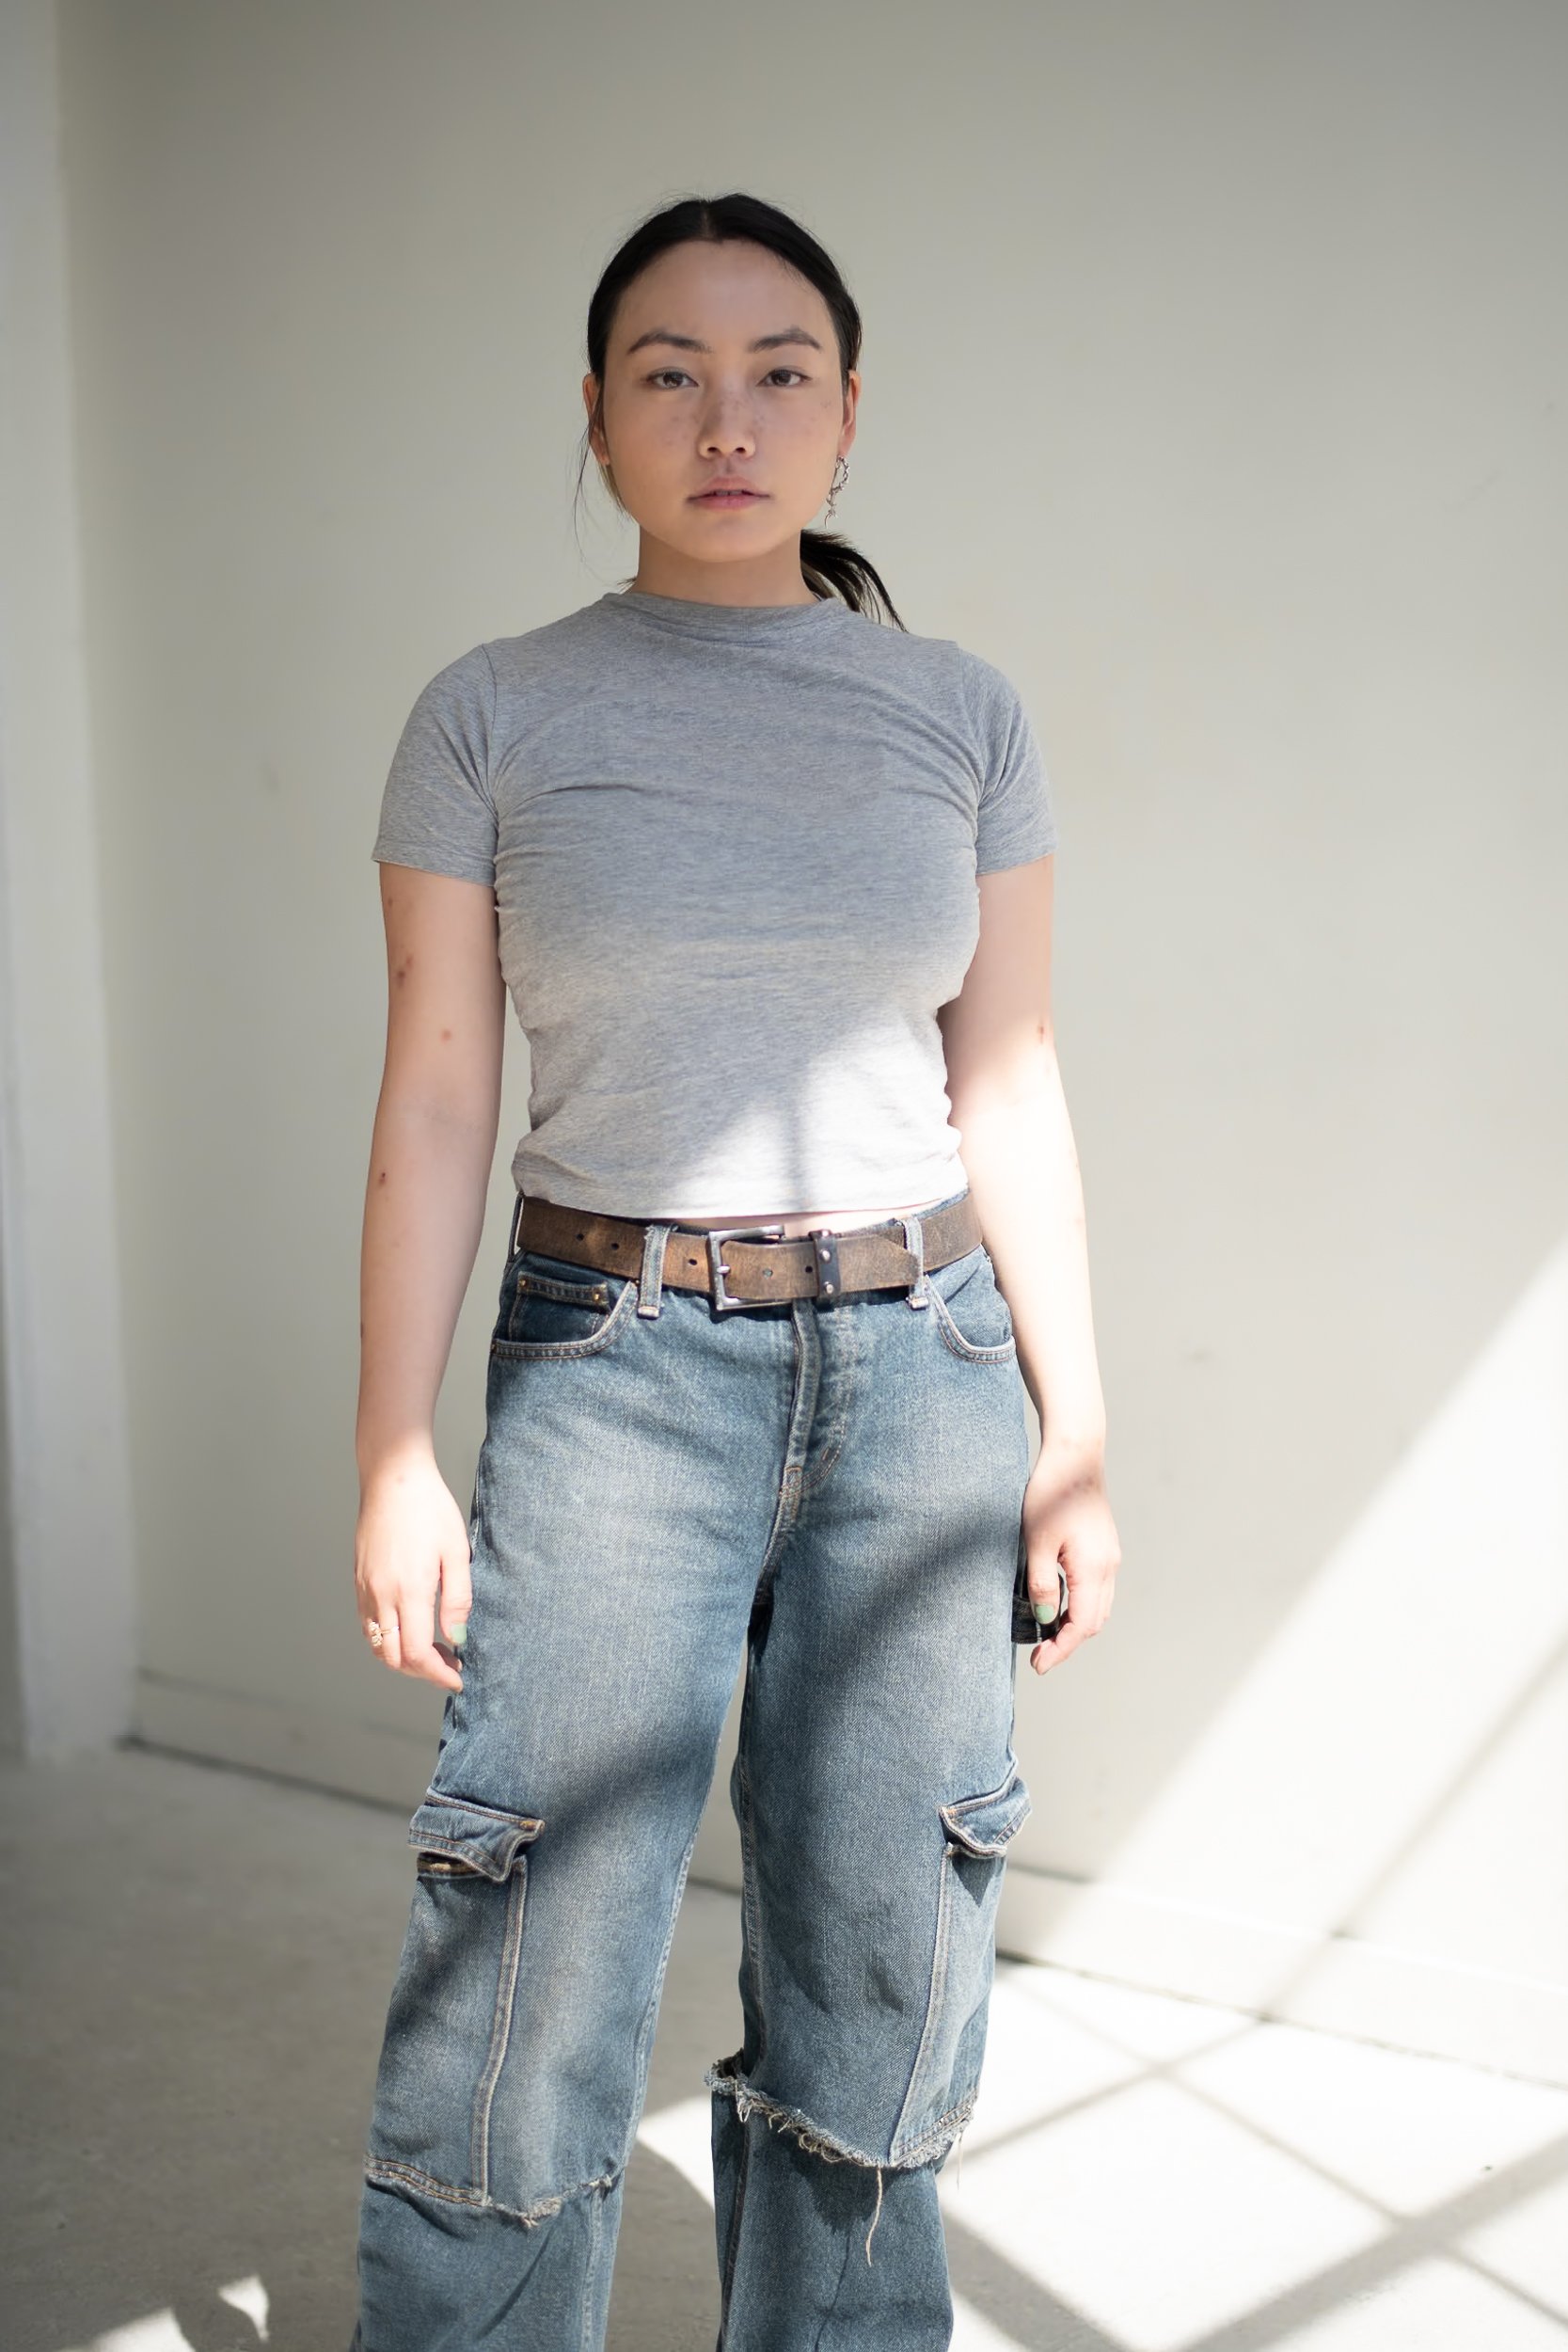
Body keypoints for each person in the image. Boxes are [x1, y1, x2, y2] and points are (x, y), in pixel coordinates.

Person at [348, 188, 1120, 2352]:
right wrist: (394, 1446)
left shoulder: (958, 712)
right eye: (666, 372)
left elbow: (1018, 1076)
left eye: (780, 368)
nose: (726, 414)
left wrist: (1079, 1431)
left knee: (888, 1960)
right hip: (617, 1367)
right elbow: (429, 1099)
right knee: (528, 1952)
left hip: (929, 1367)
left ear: (849, 417)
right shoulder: (491, 712)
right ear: (594, 418)